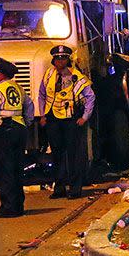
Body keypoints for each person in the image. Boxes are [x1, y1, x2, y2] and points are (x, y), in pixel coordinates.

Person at [39, 45, 95, 199]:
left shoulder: (77, 77)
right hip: (53, 120)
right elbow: (42, 94)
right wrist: (43, 115)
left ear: (67, 60)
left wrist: (85, 117)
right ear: (53, 60)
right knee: (57, 154)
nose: (60, 61)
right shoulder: (49, 75)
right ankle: (59, 188)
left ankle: (75, 189)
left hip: (71, 120)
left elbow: (90, 97)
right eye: (57, 58)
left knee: (73, 155)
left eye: (63, 58)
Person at [0, 57, 34, 218]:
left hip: (4, 130)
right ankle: (18, 205)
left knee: (4, 170)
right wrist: (26, 122)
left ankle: (8, 207)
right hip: (20, 129)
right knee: (17, 168)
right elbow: (29, 106)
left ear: (1, 74)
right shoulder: (19, 88)